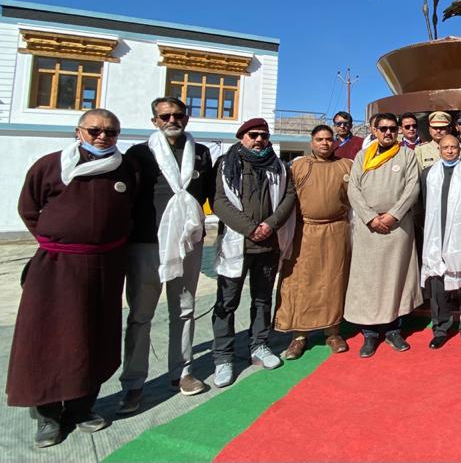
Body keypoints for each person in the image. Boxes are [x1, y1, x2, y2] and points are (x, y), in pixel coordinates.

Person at [9, 109, 137, 447]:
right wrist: (60, 241)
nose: (102, 137)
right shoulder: (51, 165)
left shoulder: (125, 169)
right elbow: (29, 208)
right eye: (94, 130)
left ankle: (81, 407)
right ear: (78, 131)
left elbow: (132, 212)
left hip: (105, 266)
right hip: (57, 266)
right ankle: (48, 416)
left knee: (93, 336)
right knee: (50, 337)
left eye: (111, 132)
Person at [119, 97, 214, 415]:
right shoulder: (139, 154)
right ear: (155, 121)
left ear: (186, 118)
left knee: (184, 309)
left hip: (188, 243)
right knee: (140, 316)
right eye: (165, 116)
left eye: (178, 115)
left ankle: (183, 373)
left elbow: (210, 195)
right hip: (148, 244)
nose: (172, 119)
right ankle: (133, 383)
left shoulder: (200, 153)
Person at [211, 118, 296, 387]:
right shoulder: (227, 165)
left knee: (262, 299)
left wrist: (269, 225)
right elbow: (219, 201)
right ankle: (223, 357)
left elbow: (289, 197)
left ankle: (258, 345)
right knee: (227, 302)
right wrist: (250, 229)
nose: (259, 140)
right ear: (242, 137)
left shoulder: (280, 167)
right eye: (253, 135)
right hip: (237, 244)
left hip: (268, 244)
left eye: (263, 135)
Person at [346, 113, 422, 357]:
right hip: (369, 228)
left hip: (396, 228)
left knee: (394, 278)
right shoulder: (362, 156)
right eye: (383, 128)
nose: (388, 133)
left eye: (392, 129)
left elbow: (413, 188)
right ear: (374, 130)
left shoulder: (407, 155)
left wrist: (393, 215)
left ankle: (393, 330)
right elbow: (353, 189)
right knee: (368, 280)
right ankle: (369, 333)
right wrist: (370, 217)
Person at [274, 125, 353, 360]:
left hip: (337, 230)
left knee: (334, 281)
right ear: (312, 142)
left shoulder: (345, 165)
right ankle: (299, 336)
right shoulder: (298, 166)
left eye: (329, 139)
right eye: (319, 139)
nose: (325, 143)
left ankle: (333, 331)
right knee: (302, 283)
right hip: (305, 231)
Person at [420, 135, 461, 348]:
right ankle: (440, 328)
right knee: (439, 285)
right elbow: (422, 204)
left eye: (453, 147)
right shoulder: (428, 174)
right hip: (435, 239)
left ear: (460, 149)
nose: (449, 151)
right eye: (445, 147)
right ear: (438, 150)